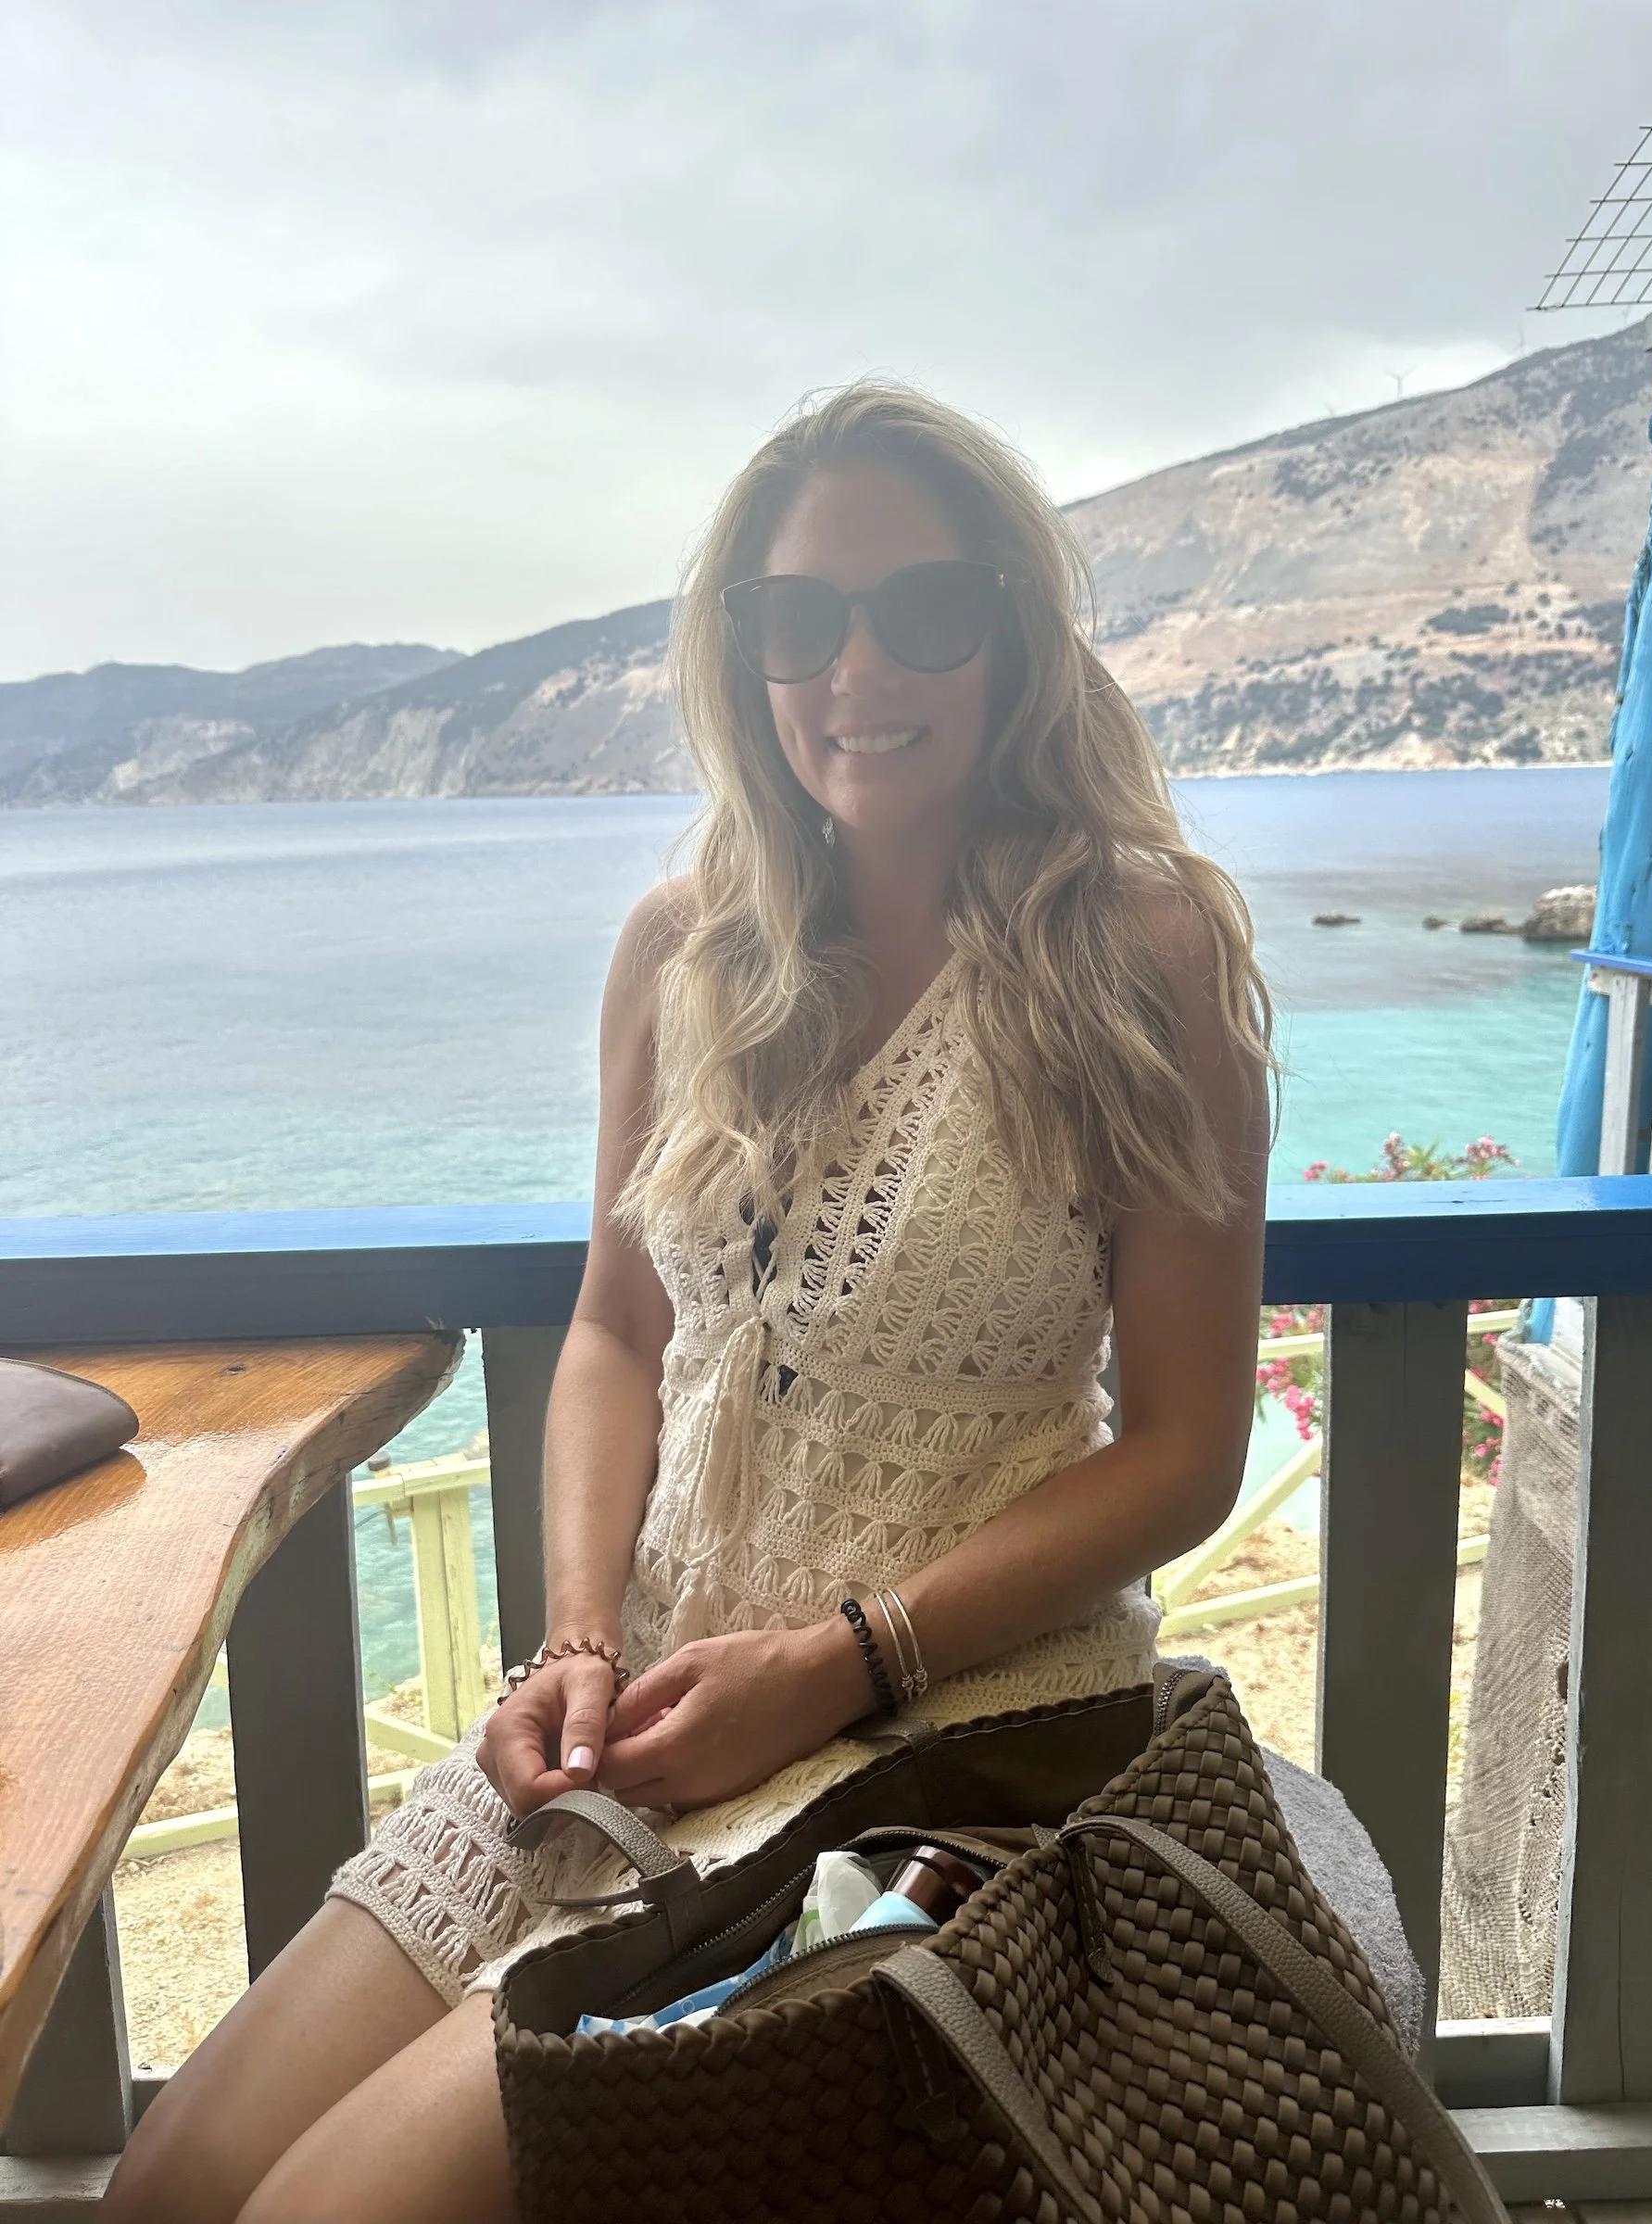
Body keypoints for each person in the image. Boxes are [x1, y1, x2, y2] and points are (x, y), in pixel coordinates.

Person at [105, 382, 1272, 2224]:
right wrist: (571, 1646)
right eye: (802, 620)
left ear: (1013, 639)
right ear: (745, 653)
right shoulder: (684, 950)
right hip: (637, 1719)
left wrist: (844, 1657)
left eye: (926, 612)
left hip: (940, 1738)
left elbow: (1193, 1446)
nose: (858, 670)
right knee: (167, 2193)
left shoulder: (1139, 950)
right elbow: (617, 1329)